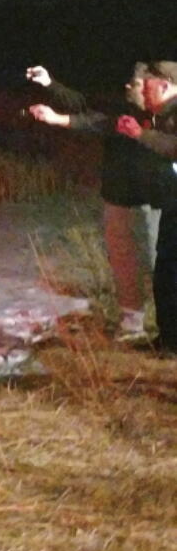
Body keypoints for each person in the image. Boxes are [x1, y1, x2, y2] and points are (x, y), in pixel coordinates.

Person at [26, 63, 176, 340]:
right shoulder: (123, 113)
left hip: (154, 203)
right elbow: (85, 107)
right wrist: (50, 85)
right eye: (133, 85)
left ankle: (165, 329)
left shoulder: (164, 118)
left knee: (160, 266)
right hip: (119, 198)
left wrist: (60, 119)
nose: (130, 88)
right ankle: (135, 325)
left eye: (138, 85)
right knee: (125, 262)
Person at [115, 64, 177, 353]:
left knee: (169, 272)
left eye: (148, 85)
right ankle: (169, 339)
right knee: (165, 272)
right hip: (172, 205)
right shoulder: (161, 115)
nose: (143, 90)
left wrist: (141, 135)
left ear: (165, 85)